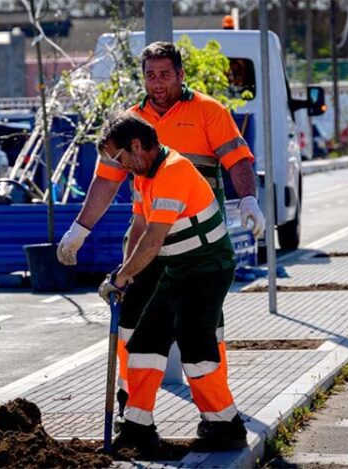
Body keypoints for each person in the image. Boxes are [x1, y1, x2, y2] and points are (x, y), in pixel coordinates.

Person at [57, 41, 265, 423]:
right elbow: (106, 181)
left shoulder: (208, 112)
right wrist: (80, 228)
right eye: (150, 75)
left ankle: (218, 412)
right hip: (147, 237)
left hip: (195, 243)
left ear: (181, 74)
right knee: (134, 320)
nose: (157, 83)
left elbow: (238, 160)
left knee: (202, 330)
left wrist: (248, 199)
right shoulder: (131, 123)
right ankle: (132, 401)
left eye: (165, 74)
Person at [96, 112, 248, 452]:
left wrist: (121, 278)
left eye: (118, 157)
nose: (119, 166)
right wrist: (124, 274)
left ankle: (226, 426)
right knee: (145, 342)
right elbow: (138, 226)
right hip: (179, 268)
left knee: (196, 345)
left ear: (136, 146)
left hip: (208, 268)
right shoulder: (144, 175)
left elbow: (153, 239)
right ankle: (137, 426)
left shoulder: (173, 172)